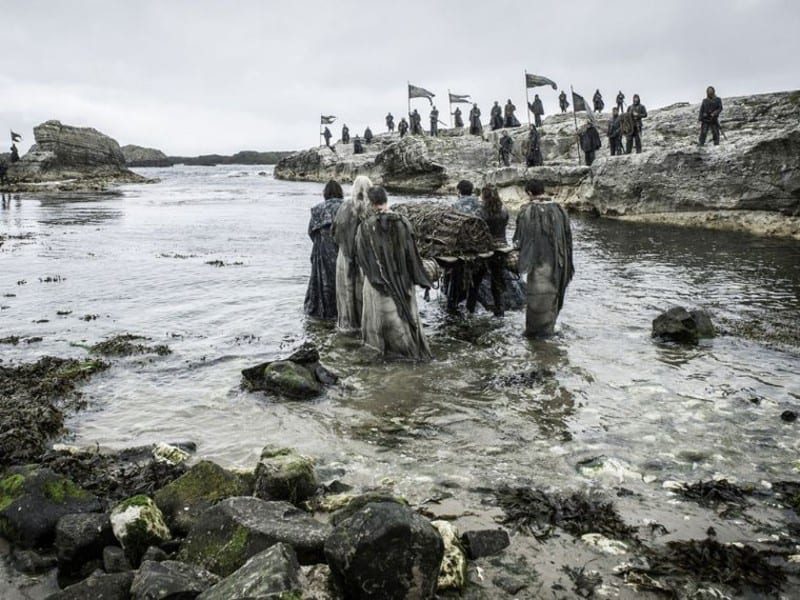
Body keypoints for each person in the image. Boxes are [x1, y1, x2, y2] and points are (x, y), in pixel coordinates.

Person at [355, 186, 433, 360]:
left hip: (377, 282)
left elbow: (361, 258)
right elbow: (412, 254)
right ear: (385, 200)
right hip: (403, 278)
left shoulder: (365, 227)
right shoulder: (403, 222)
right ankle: (411, 353)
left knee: (380, 322)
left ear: (371, 202)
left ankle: (384, 354)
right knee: (405, 318)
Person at [513, 179, 574, 338]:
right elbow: (568, 238)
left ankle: (537, 335)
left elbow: (519, 240)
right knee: (555, 293)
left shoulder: (528, 211)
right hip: (559, 262)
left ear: (530, 193)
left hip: (539, 262)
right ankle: (550, 328)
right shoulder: (560, 210)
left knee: (538, 297)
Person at [331, 175, 372, 332]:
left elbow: (334, 232)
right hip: (365, 257)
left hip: (345, 257)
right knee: (363, 292)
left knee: (345, 292)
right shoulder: (372, 207)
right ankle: (364, 326)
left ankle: (347, 326)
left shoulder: (344, 206)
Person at [304, 180, 345, 320]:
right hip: (342, 250)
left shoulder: (318, 209)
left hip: (322, 251)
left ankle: (324, 314)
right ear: (341, 193)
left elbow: (311, 232)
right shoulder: (346, 207)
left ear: (325, 194)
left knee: (323, 283)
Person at [478, 185, 508, 317]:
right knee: (497, 281)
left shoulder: (480, 212)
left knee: (477, 279)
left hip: (485, 249)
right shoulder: (504, 210)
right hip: (501, 247)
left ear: (483, 196)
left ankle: (471, 309)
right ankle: (500, 311)